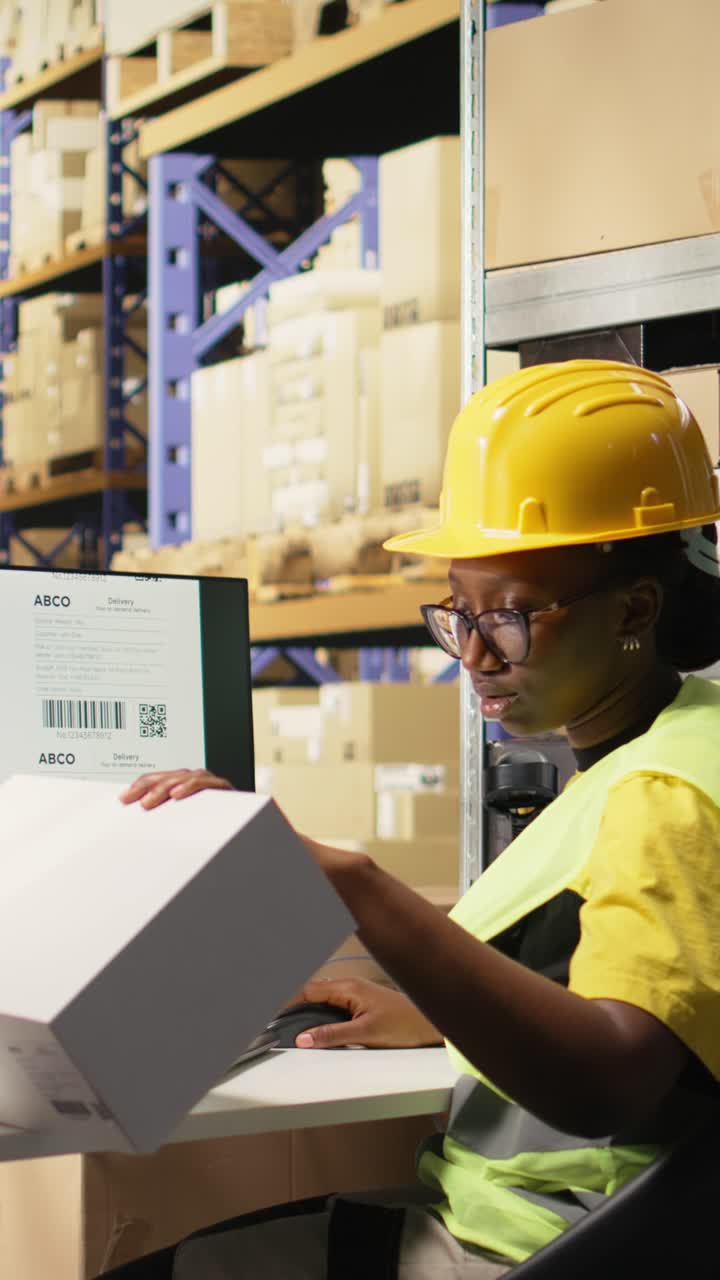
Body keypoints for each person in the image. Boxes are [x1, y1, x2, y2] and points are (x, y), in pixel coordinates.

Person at [104, 360, 720, 1278]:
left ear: (635, 606)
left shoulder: (662, 791)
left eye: (509, 619)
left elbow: (608, 1079)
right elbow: (647, 1007)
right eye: (455, 614)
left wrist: (355, 885)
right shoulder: (674, 739)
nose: (471, 653)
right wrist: (433, 1010)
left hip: (528, 1245)